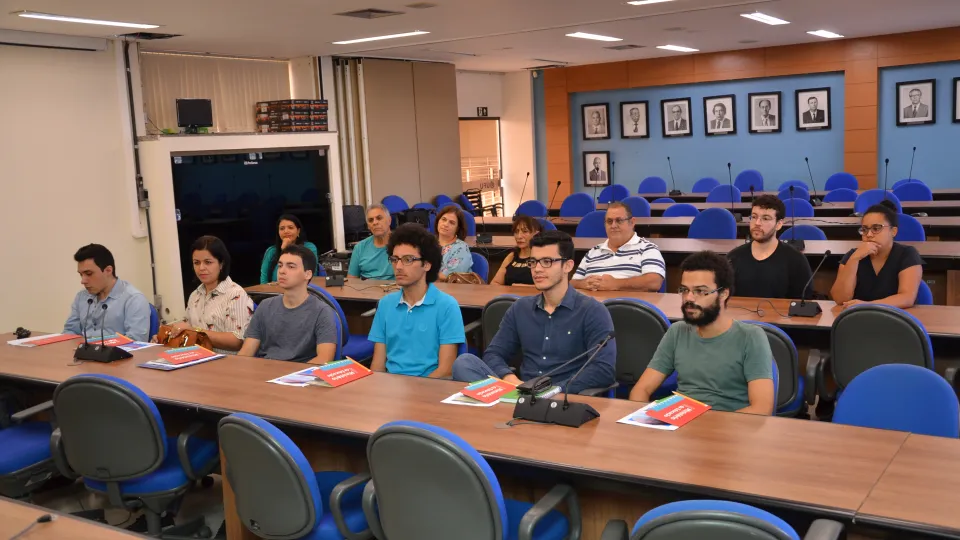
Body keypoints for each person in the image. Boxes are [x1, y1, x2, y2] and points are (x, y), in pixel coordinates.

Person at [452, 231, 616, 394]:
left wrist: (553, 390)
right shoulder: (520, 308)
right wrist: (511, 380)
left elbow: (603, 370)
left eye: (547, 262)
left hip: (561, 397)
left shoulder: (592, 311)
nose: (537, 269)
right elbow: (494, 354)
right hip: (521, 391)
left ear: (568, 265)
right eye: (533, 262)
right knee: (464, 363)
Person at [629, 251, 775, 415]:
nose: (689, 298)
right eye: (684, 290)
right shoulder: (677, 331)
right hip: (680, 423)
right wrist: (641, 421)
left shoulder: (751, 337)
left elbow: (762, 409)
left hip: (731, 430)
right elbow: (640, 390)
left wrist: (708, 429)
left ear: (723, 294)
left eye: (700, 291)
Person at [369, 224, 465, 378]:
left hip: (430, 389)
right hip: (390, 389)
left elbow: (446, 370)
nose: (398, 266)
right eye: (395, 259)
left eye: (408, 260)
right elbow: (378, 366)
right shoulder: (385, 304)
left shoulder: (447, 306)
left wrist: (413, 395)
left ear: (426, 264)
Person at [239, 244, 338, 363]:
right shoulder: (265, 306)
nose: (282, 271)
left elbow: (324, 359)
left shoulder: (322, 311)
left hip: (300, 376)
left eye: (291, 267)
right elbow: (246, 353)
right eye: (280, 265)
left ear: (308, 274)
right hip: (265, 372)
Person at [165, 236, 254, 354]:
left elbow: (238, 341)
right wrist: (167, 336)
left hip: (226, 363)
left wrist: (196, 331)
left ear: (221, 264)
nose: (201, 268)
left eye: (208, 262)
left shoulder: (235, 294)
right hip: (195, 358)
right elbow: (188, 329)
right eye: (196, 263)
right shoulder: (195, 295)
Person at [830, 202, 924, 309]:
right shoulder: (853, 255)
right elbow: (840, 299)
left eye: (876, 228)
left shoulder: (907, 254)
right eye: (864, 229)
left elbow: (907, 298)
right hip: (859, 319)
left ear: (893, 231)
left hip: (896, 319)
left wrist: (868, 305)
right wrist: (854, 259)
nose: (869, 235)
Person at [728, 195, 813, 299]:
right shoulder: (734, 257)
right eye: (754, 217)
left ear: (779, 224)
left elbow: (804, 302)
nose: (757, 223)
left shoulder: (796, 260)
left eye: (765, 218)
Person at [64, 244, 151, 342]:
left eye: (89, 274)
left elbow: (136, 341)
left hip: (116, 355)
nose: (83, 281)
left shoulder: (134, 299)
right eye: (81, 275)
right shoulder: (82, 297)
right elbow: (70, 331)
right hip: (81, 353)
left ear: (108, 270)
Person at [572, 202, 665, 292]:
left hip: (628, 306)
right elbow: (572, 283)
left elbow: (654, 282)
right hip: (592, 306)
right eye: (609, 221)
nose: (613, 225)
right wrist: (583, 284)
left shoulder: (647, 248)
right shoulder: (593, 252)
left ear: (632, 222)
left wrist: (616, 284)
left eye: (619, 220)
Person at [259, 214, 319, 284]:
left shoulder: (309, 248)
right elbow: (263, 281)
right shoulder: (271, 251)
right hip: (274, 292)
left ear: (298, 231)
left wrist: (285, 250)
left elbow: (312, 276)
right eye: (282, 228)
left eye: (290, 228)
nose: (286, 231)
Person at [347, 204, 395, 281]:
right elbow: (351, 281)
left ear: (389, 220)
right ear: (368, 226)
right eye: (370, 220)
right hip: (367, 291)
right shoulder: (359, 248)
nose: (375, 222)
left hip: (396, 290)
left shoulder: (402, 244)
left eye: (379, 218)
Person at [491, 215, 542, 287]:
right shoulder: (511, 256)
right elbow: (495, 283)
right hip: (509, 297)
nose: (519, 236)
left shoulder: (542, 257)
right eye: (516, 231)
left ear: (536, 234)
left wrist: (517, 287)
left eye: (525, 231)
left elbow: (546, 286)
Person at [434, 205, 473, 281]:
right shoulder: (427, 243)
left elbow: (451, 277)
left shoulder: (461, 248)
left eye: (451, 223)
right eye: (443, 219)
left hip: (453, 290)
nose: (445, 224)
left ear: (457, 228)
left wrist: (422, 274)